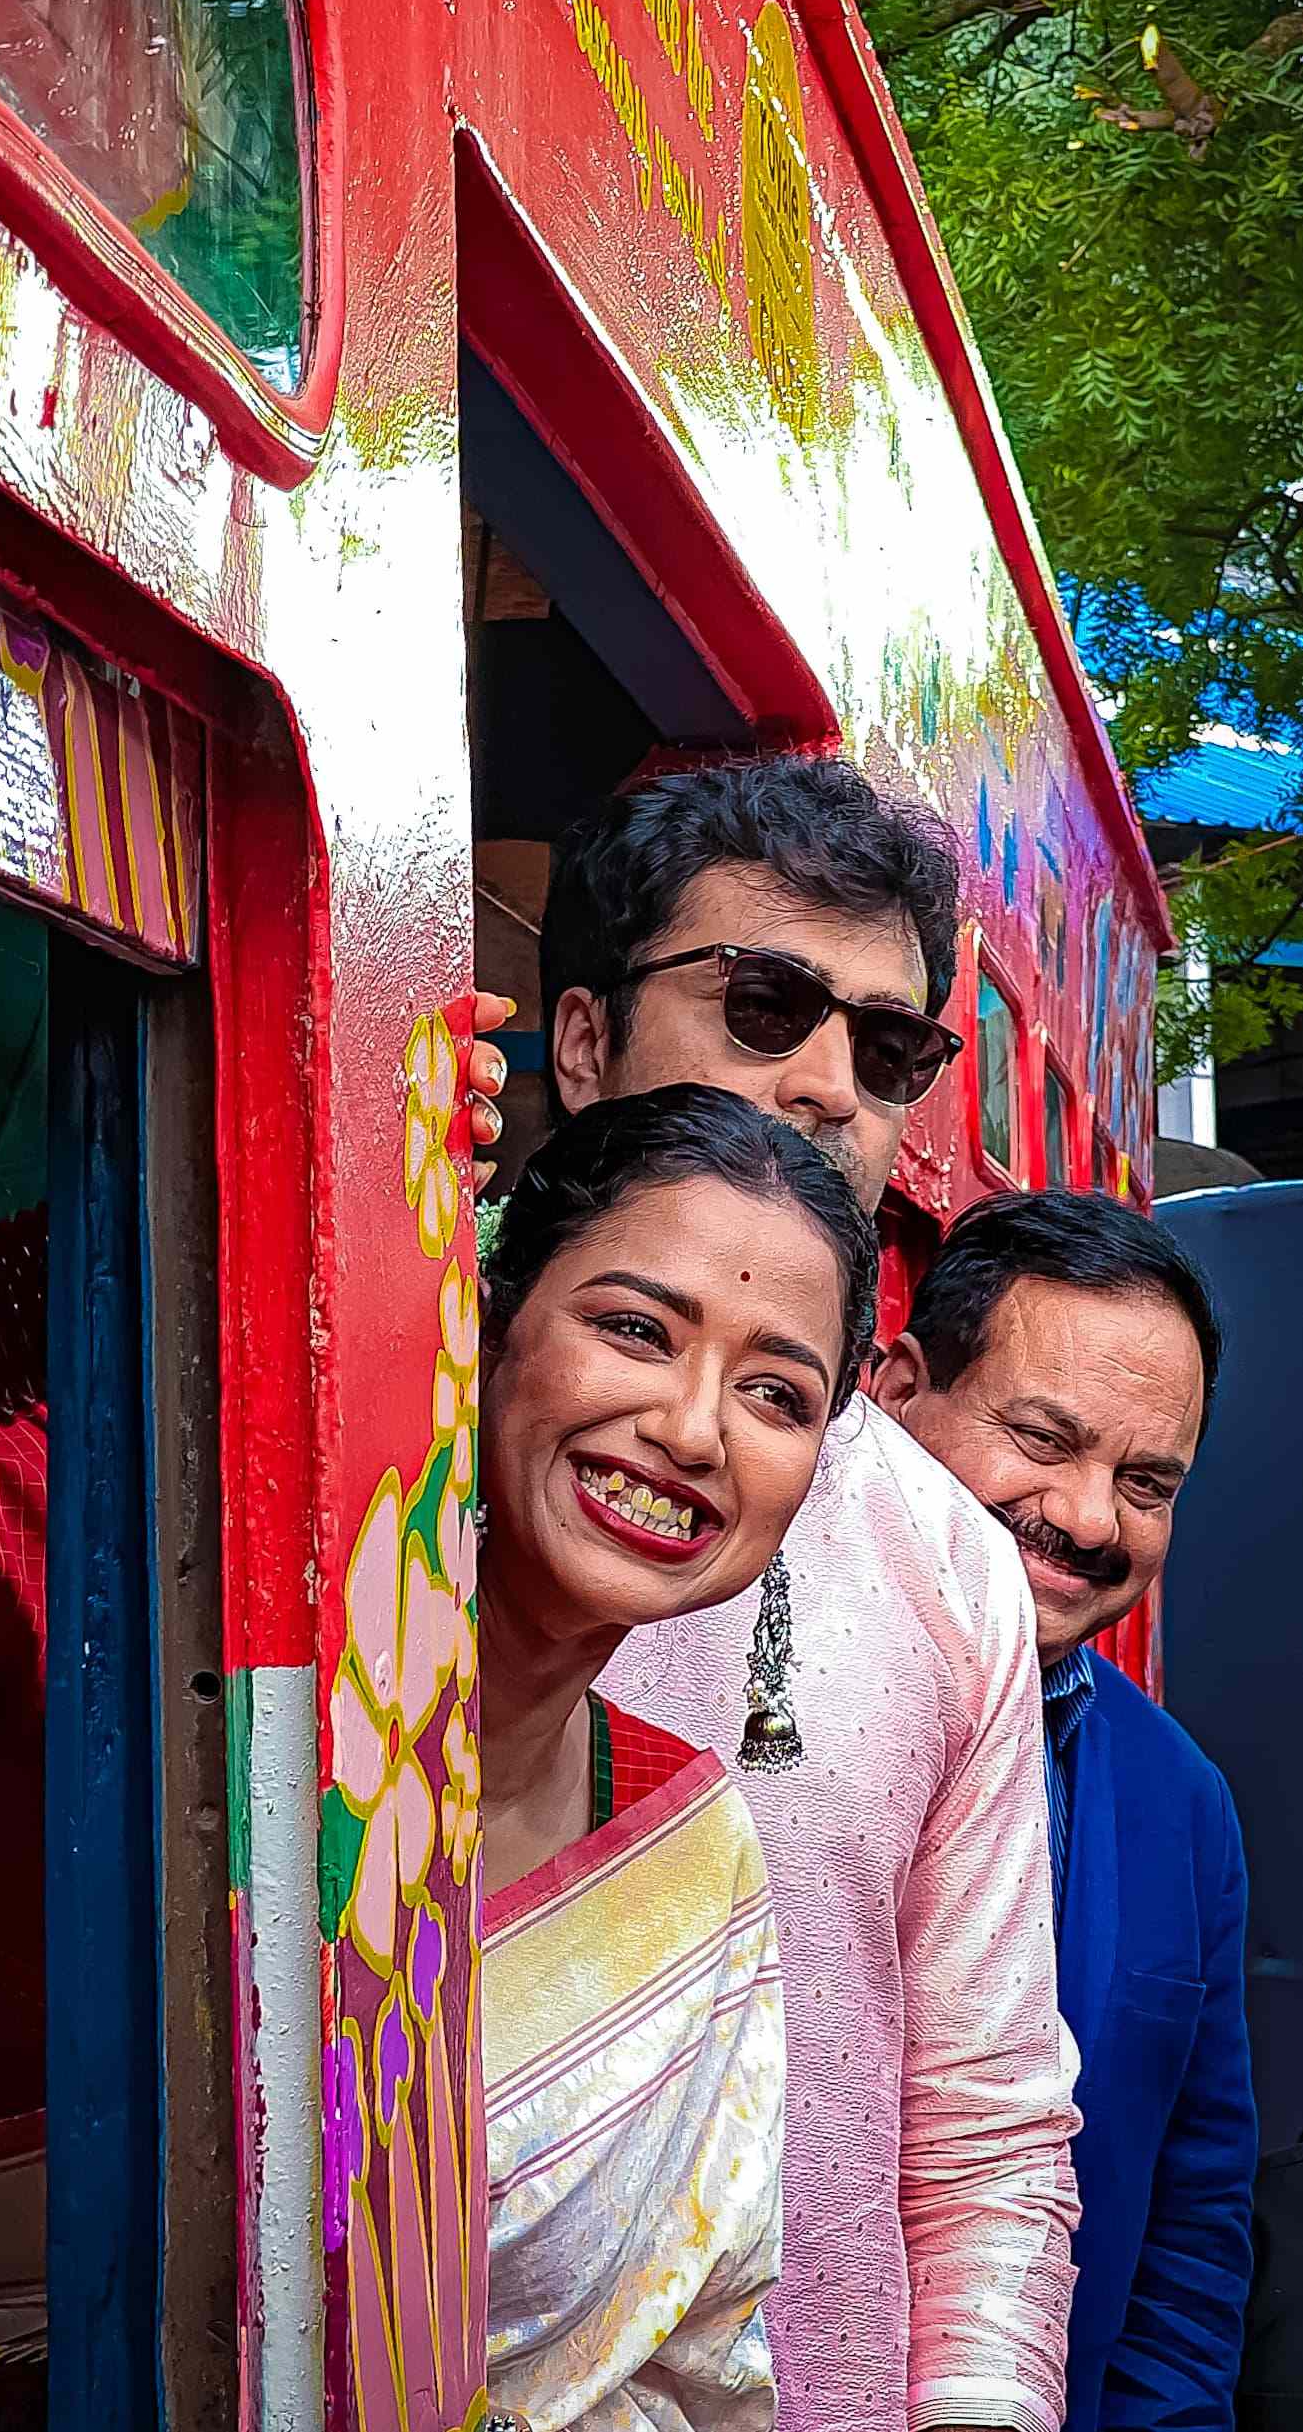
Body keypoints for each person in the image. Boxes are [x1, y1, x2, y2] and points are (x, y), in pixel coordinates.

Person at [530, 756, 1078, 2432]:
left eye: (889, 1043)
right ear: (580, 1043)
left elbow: (983, 2115)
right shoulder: (360, 1432)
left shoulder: (949, 1565)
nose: (832, 1082)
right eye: (764, 1003)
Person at [478, 1083, 878, 2432]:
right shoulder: (193, 1691)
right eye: (634, 1330)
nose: (694, 1431)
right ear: (488, 1322)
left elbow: (692, 2361)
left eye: (776, 1392)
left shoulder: (691, 1848)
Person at [874, 1189, 1258, 2432]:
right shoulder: (726, 1691)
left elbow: (1190, 2226)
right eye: (1043, 1437)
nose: (1090, 1517)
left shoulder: (1179, 1800)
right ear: (894, 1392)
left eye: (1144, 1480)